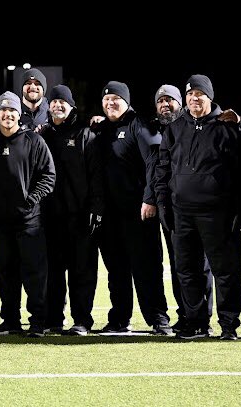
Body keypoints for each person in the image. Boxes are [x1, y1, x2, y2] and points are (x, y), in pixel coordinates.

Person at [156, 74, 241, 340]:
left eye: (200, 94)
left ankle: (228, 325)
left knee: (224, 271)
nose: (195, 99)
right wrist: (163, 204)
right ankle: (196, 323)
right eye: (190, 94)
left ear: (210, 96)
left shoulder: (227, 126)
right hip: (182, 212)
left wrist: (240, 208)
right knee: (186, 269)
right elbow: (163, 168)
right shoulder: (175, 127)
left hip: (217, 213)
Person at [94, 81, 171, 335]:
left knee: (146, 267)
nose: (110, 103)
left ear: (126, 101)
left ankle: (158, 318)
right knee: (116, 270)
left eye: (116, 99)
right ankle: (119, 319)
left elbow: (153, 163)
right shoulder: (102, 129)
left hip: (138, 213)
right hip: (110, 215)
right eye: (106, 100)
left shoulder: (140, 125)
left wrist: (149, 199)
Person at [0, 91, 55, 337]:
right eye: (3, 110)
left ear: (18, 114)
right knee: (6, 273)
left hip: (29, 222)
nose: (8, 114)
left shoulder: (34, 141)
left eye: (12, 110)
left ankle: (37, 322)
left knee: (34, 273)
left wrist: (31, 200)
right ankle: (10, 320)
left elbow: (49, 176)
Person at [40, 85, 103, 335]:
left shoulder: (85, 134)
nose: (57, 105)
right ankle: (54, 318)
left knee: (82, 270)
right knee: (53, 271)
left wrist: (96, 207)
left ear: (71, 106)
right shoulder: (43, 135)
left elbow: (96, 174)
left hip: (80, 216)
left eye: (62, 102)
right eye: (53, 102)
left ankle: (82, 320)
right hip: (51, 216)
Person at [152, 84, 214, 333]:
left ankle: (205, 320)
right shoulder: (152, 128)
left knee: (205, 267)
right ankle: (188, 316)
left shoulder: (207, 126)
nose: (166, 105)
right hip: (174, 208)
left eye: (171, 100)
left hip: (206, 210)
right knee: (182, 266)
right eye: (161, 101)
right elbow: (159, 170)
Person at [20, 68, 50, 133]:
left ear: (43, 89)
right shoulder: (13, 111)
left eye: (37, 83)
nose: (33, 87)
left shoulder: (52, 112)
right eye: (28, 83)